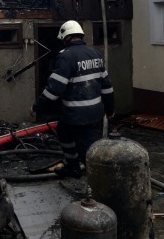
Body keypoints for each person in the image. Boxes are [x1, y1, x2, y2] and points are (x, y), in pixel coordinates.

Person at [30, 20, 115, 177]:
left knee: (84, 148)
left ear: (66, 37)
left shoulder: (66, 57)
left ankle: (94, 179)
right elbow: (107, 87)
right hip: (95, 113)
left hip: (75, 115)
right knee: (67, 134)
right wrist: (110, 110)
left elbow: (54, 89)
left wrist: (37, 107)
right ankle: (77, 168)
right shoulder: (95, 53)